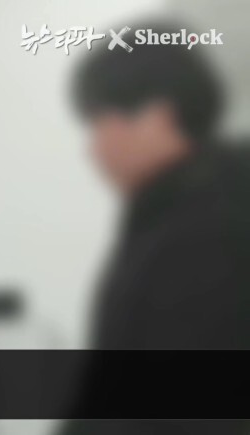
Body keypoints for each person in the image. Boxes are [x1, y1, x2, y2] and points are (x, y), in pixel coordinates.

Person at [60, 20, 250, 434]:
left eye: (99, 123)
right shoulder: (177, 213)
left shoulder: (204, 238)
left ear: (156, 116)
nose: (94, 149)